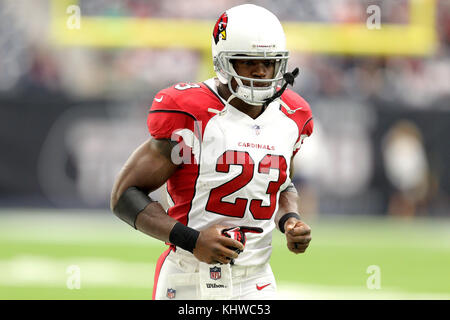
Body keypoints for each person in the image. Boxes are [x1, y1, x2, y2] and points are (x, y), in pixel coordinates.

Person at [110, 4, 313, 300]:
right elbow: (124, 195)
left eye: (269, 63)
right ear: (223, 62)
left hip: (256, 280)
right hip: (189, 275)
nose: (261, 72)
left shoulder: (292, 116)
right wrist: (192, 240)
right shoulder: (190, 111)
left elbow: (281, 183)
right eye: (248, 62)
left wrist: (289, 219)